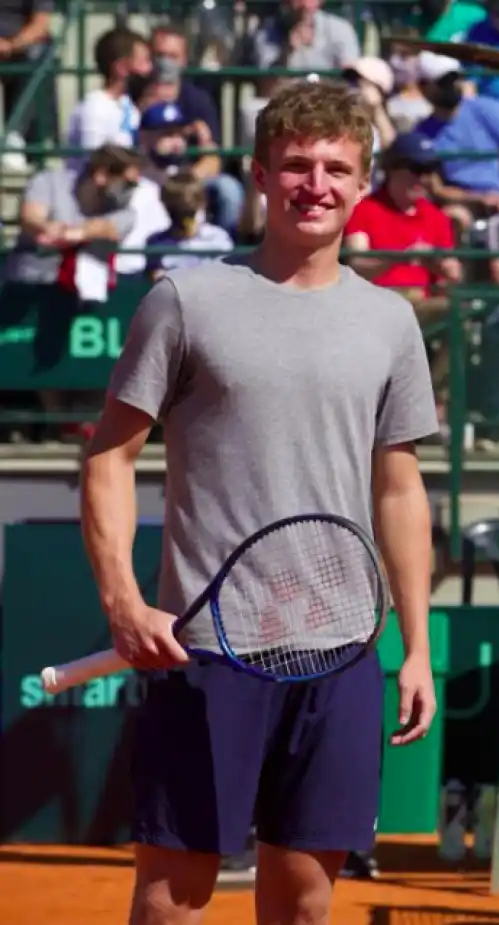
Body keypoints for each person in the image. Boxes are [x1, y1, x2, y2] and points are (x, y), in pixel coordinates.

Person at [80, 79, 439, 924]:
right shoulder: (185, 299)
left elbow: (399, 486)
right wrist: (123, 601)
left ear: (362, 183)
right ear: (262, 175)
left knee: (307, 899)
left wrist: (416, 645)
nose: (316, 184)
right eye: (297, 165)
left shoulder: (391, 321)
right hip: (208, 648)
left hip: (341, 650)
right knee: (174, 896)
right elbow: (108, 457)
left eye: (336, 169)